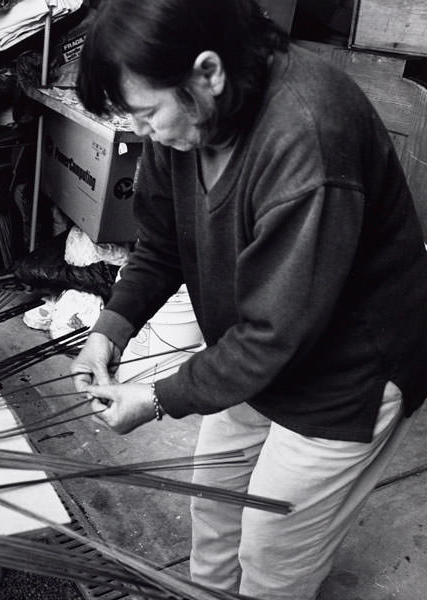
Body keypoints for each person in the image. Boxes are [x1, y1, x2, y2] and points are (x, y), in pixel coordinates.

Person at [70, 1, 427, 598]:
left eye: (147, 114)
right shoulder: (186, 118)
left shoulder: (307, 135)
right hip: (256, 346)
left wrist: (157, 398)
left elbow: (274, 334)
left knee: (273, 550)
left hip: (348, 373)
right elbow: (163, 243)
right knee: (213, 499)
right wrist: (111, 328)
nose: (142, 131)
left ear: (208, 72)